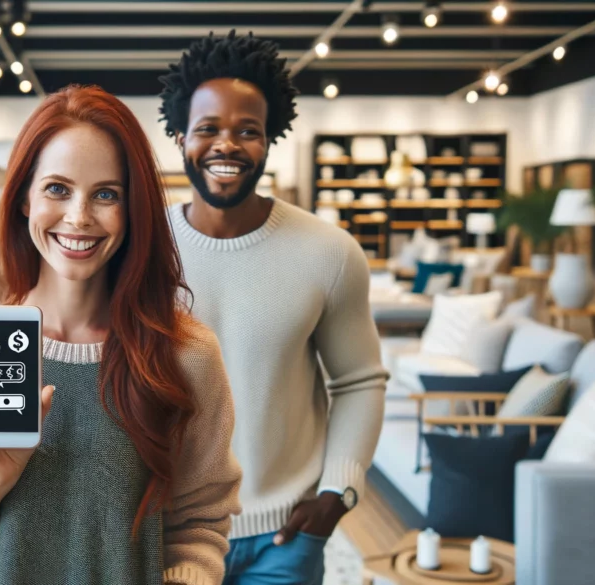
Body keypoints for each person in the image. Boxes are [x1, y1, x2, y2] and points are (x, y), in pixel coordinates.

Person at [0, 85, 242, 585]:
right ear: (24, 198)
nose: (78, 217)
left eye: (106, 194)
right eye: (57, 188)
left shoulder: (184, 354)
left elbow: (200, 522)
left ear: (134, 209)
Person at [158, 31, 389, 584]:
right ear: (180, 137)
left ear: (269, 140)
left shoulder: (329, 253)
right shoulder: (141, 249)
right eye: (208, 128)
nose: (227, 145)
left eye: (248, 131)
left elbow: (359, 380)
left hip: (282, 538)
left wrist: (338, 491)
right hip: (167, 533)